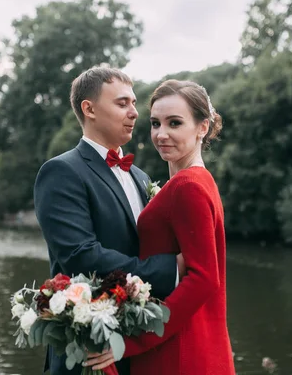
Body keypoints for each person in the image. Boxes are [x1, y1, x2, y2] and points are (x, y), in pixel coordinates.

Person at [34, 67, 186, 375]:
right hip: (86, 352)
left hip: (140, 347)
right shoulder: (61, 172)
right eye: (122, 103)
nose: (134, 113)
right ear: (89, 109)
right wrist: (171, 270)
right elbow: (81, 255)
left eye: (133, 103)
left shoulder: (140, 177)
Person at [85, 80, 236, 374]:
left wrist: (131, 342)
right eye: (155, 123)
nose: (161, 134)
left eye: (175, 123)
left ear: (202, 127)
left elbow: (204, 279)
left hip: (178, 351)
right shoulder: (198, 181)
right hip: (191, 342)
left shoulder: (188, 186)